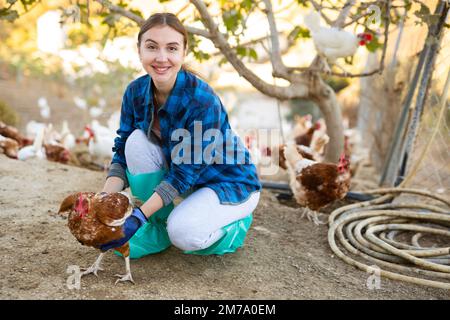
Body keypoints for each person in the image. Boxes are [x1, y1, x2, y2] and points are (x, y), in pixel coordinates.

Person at [99, 13, 261, 258]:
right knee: (135, 142)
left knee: (184, 234)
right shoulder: (135, 92)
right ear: (140, 50)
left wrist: (138, 216)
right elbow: (121, 152)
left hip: (229, 184)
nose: (161, 57)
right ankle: (156, 228)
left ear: (183, 52)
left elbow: (184, 173)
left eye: (171, 48)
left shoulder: (202, 100)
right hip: (187, 181)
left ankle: (232, 227)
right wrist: (103, 199)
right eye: (152, 47)